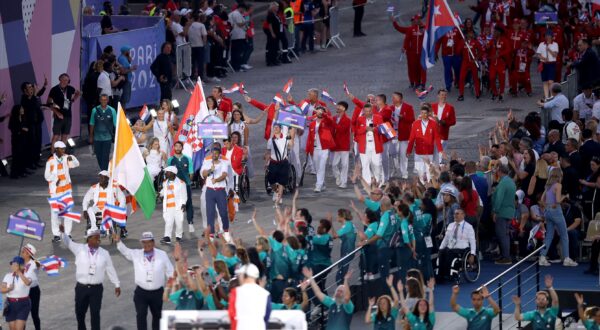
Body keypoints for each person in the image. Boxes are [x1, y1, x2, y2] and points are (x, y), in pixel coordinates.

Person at [60, 225, 121, 330]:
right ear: (89, 239)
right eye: (96, 237)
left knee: (95, 314)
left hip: (96, 289)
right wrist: (62, 233)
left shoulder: (104, 253)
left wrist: (117, 284)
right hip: (81, 288)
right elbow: (68, 242)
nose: (99, 240)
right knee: (80, 313)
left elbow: (110, 269)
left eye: (99, 237)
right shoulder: (79, 249)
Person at [114, 231, 173, 330]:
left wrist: (169, 287)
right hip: (141, 293)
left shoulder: (162, 254)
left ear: (153, 242)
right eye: (144, 242)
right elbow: (125, 251)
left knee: (157, 316)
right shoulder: (136, 254)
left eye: (149, 242)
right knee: (141, 315)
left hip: (157, 293)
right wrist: (119, 241)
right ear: (142, 243)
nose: (147, 244)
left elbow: (170, 271)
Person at [539, 168, 579, 267]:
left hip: (547, 211)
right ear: (559, 176)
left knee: (549, 236)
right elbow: (557, 200)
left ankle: (542, 257)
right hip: (556, 211)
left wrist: (547, 206)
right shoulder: (558, 185)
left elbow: (541, 199)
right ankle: (566, 258)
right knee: (564, 235)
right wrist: (565, 196)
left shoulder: (547, 186)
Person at [45, 141, 80, 241]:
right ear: (56, 149)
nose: (64, 150)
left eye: (64, 149)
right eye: (62, 149)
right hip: (56, 192)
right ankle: (56, 234)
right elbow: (46, 176)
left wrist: (72, 158)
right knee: (55, 213)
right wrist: (56, 179)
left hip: (66, 190)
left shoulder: (66, 157)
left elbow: (76, 164)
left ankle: (68, 233)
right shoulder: (50, 161)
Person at [201, 144, 232, 241]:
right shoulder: (206, 162)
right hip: (210, 191)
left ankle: (226, 231)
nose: (214, 155)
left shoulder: (224, 163)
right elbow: (203, 174)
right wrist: (211, 170)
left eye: (216, 153)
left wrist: (217, 180)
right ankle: (211, 234)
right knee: (210, 213)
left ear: (219, 154)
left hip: (220, 191)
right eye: (213, 153)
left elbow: (224, 175)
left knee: (223, 212)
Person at [228, 264, 272, 330]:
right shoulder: (265, 294)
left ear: (245, 275)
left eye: (240, 275)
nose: (239, 277)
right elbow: (267, 316)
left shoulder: (236, 292)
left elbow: (232, 314)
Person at [407, 104, 443, 183]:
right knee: (420, 171)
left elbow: (437, 138)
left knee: (429, 170)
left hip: (429, 151)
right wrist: (409, 151)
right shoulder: (415, 123)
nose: (423, 115)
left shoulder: (433, 124)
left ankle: (429, 185)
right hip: (418, 151)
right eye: (422, 113)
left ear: (428, 114)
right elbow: (412, 138)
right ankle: (423, 185)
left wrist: (441, 150)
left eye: (425, 113)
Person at [437, 209, 477, 278]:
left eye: (457, 214)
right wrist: (440, 248)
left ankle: (449, 273)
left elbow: (472, 241)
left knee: (449, 252)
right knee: (442, 252)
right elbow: (446, 239)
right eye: (455, 214)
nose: (455, 215)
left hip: (462, 249)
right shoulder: (450, 225)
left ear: (463, 215)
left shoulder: (468, 227)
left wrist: (472, 254)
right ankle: (441, 275)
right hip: (450, 247)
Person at [391, 15, 426, 88]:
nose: (414, 22)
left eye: (416, 19)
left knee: (422, 68)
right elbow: (405, 38)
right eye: (413, 20)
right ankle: (414, 82)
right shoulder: (410, 29)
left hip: (422, 53)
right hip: (411, 53)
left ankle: (422, 83)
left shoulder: (424, 28)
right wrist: (394, 22)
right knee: (412, 68)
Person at [47, 73, 80, 149]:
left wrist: (73, 99)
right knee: (56, 136)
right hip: (58, 116)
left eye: (67, 80)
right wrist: (57, 113)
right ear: (60, 79)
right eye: (64, 80)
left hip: (68, 115)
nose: (66, 82)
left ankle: (62, 154)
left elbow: (78, 93)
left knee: (65, 136)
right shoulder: (54, 89)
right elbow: (49, 103)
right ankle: (52, 154)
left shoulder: (70, 88)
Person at [168, 141, 195, 233]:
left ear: (182, 148)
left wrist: (188, 181)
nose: (178, 148)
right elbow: (169, 173)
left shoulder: (188, 159)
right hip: (175, 187)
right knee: (177, 206)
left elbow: (191, 172)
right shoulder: (170, 160)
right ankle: (179, 227)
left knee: (188, 204)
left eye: (180, 146)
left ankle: (190, 223)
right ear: (173, 148)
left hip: (186, 185)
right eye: (176, 146)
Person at [306, 106, 335, 192]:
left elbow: (330, 120)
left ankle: (318, 185)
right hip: (315, 149)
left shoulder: (327, 121)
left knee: (322, 166)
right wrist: (308, 149)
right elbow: (309, 137)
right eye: (318, 111)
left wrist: (323, 113)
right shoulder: (312, 124)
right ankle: (322, 183)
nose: (319, 113)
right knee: (317, 167)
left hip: (324, 148)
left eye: (321, 112)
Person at [492, 164, 516, 265]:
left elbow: (499, 198)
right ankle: (504, 255)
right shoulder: (511, 182)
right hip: (509, 212)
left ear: (500, 171)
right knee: (505, 234)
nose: (496, 173)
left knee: (502, 235)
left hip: (502, 212)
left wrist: (495, 211)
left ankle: (506, 257)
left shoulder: (503, 183)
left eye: (497, 171)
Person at [356, 103, 384, 185]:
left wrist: (374, 129)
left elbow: (382, 130)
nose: (367, 113)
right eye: (366, 111)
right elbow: (357, 132)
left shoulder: (378, 118)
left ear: (372, 111)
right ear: (363, 111)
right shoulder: (360, 119)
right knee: (365, 165)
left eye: (369, 111)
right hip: (364, 145)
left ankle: (378, 181)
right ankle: (367, 183)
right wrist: (365, 129)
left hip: (375, 144)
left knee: (377, 164)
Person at [21, 80, 46, 170]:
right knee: (31, 143)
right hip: (30, 124)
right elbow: (30, 107)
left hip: (37, 123)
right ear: (24, 90)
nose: (31, 88)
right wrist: (35, 95)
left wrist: (44, 86)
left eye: (32, 87)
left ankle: (36, 160)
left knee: (38, 142)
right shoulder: (24, 98)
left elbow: (38, 98)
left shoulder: (35, 97)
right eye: (29, 87)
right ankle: (30, 163)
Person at [1, 256, 32, 330]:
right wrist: (9, 289)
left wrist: (18, 272)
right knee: (13, 328)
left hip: (23, 304)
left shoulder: (28, 275)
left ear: (21, 266)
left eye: (15, 265)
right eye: (12, 264)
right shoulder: (8, 276)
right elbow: (2, 289)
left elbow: (27, 282)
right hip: (10, 304)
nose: (12, 266)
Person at [159, 166, 187, 244]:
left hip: (178, 206)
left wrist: (184, 204)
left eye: (167, 172)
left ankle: (178, 235)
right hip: (168, 207)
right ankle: (167, 237)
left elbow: (184, 194)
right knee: (168, 222)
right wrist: (160, 194)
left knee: (179, 222)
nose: (166, 173)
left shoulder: (181, 183)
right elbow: (163, 191)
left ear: (172, 173)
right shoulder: (165, 182)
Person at [265, 124, 293, 203]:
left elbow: (290, 146)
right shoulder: (270, 140)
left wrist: (290, 136)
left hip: (283, 162)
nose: (275, 129)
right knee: (271, 180)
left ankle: (279, 197)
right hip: (273, 162)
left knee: (282, 181)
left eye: (277, 127)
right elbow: (268, 152)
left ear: (280, 129)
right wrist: (266, 162)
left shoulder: (285, 137)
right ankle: (276, 191)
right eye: (274, 127)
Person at [390, 92, 414, 178]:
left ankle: (404, 172)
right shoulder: (390, 108)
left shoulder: (408, 107)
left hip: (404, 134)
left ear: (400, 99)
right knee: (393, 153)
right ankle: (396, 168)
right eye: (392, 98)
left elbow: (412, 119)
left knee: (403, 154)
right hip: (393, 133)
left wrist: (403, 118)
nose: (392, 99)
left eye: (394, 98)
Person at [89, 94, 116, 171]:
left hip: (108, 138)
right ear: (99, 100)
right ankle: (104, 171)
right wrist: (91, 136)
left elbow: (115, 124)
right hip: (97, 138)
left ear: (108, 100)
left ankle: (104, 173)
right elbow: (92, 123)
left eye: (105, 100)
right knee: (99, 156)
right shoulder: (94, 110)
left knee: (105, 156)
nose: (104, 101)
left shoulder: (112, 110)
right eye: (102, 100)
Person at [431, 89, 456, 162]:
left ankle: (439, 169)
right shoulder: (432, 106)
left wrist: (444, 122)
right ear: (438, 96)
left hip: (443, 134)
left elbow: (453, 121)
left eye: (445, 95)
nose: (444, 96)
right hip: (432, 134)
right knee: (432, 154)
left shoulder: (450, 108)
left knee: (440, 156)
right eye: (442, 95)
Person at [458, 30, 483, 101]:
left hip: (473, 62)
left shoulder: (475, 42)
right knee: (461, 78)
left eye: (471, 33)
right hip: (465, 62)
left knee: (475, 78)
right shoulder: (463, 42)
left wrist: (476, 58)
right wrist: (463, 43)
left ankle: (477, 94)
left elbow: (481, 51)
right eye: (469, 33)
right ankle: (461, 94)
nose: (470, 34)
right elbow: (458, 50)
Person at [331, 101, 352, 188]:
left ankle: (344, 182)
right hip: (335, 145)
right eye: (337, 106)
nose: (337, 107)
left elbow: (341, 129)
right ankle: (338, 176)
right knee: (334, 164)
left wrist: (332, 122)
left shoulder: (347, 120)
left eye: (339, 106)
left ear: (344, 109)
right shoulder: (334, 118)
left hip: (344, 145)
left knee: (344, 164)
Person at [436, 27, 463, 92]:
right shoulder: (442, 30)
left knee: (457, 69)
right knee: (447, 69)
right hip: (446, 54)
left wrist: (460, 50)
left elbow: (461, 40)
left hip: (456, 54)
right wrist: (435, 52)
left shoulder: (457, 29)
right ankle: (448, 85)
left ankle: (457, 82)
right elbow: (438, 42)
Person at [8, 105, 31, 179]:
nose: (23, 110)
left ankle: (22, 171)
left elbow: (26, 126)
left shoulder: (24, 117)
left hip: (23, 139)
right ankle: (14, 173)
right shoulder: (13, 118)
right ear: (17, 110)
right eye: (21, 109)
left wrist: (25, 129)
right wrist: (21, 129)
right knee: (16, 156)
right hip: (16, 140)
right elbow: (11, 127)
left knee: (23, 155)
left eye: (22, 108)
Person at [21, 244, 40, 330]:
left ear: (28, 254)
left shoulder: (34, 263)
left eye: (24, 251)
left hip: (33, 291)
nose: (22, 252)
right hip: (23, 291)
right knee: (22, 315)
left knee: (34, 314)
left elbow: (38, 264)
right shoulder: (20, 263)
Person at [488, 26, 510, 101]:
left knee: (501, 79)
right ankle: (495, 92)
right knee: (491, 78)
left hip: (501, 63)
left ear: (499, 33)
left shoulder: (504, 40)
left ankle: (501, 93)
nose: (493, 33)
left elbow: (508, 50)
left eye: (495, 32)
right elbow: (487, 49)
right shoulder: (492, 40)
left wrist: (500, 54)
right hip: (493, 64)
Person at [535, 32, 559, 100]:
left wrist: (549, 49)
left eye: (549, 36)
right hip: (544, 64)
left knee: (550, 81)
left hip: (551, 64)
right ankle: (546, 97)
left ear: (552, 37)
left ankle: (552, 95)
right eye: (546, 36)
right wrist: (543, 58)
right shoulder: (541, 44)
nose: (548, 37)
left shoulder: (555, 44)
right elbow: (538, 54)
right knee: (545, 81)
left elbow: (555, 55)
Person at [229, 4, 249, 72]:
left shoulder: (234, 13)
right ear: (241, 8)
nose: (244, 11)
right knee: (237, 52)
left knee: (235, 51)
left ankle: (236, 65)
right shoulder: (236, 14)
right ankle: (236, 66)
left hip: (237, 35)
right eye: (244, 9)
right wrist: (246, 21)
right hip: (238, 35)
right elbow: (239, 24)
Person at [187, 12, 207, 80]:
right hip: (199, 45)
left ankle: (192, 76)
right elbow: (204, 35)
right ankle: (200, 77)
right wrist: (204, 44)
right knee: (200, 62)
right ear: (198, 18)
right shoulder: (201, 25)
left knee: (192, 62)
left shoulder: (189, 25)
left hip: (191, 46)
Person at [266, 2, 282, 66]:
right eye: (276, 7)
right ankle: (270, 61)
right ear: (272, 7)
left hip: (277, 32)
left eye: (278, 7)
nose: (277, 8)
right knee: (271, 47)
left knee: (275, 47)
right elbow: (270, 25)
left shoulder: (275, 14)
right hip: (273, 33)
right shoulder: (270, 14)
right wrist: (272, 33)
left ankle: (274, 60)